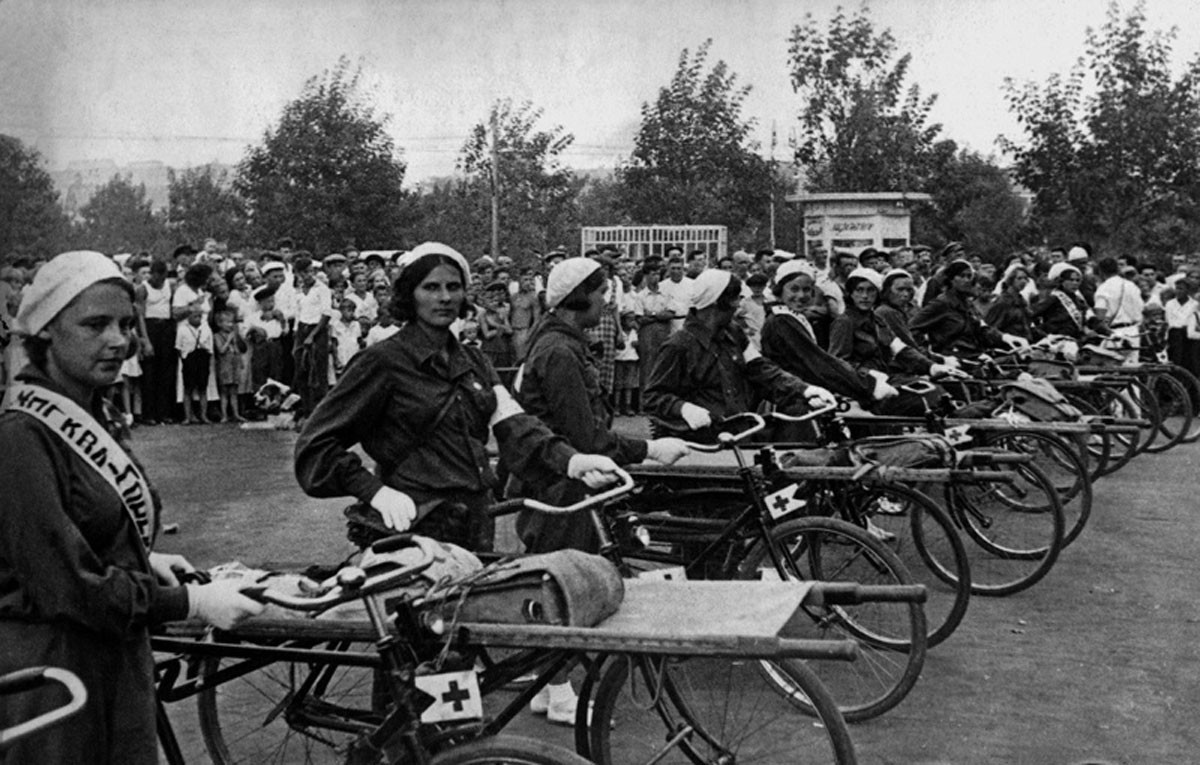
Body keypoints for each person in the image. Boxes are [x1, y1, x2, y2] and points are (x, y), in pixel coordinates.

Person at [0, 251, 261, 765]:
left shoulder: (90, 411)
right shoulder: (21, 436)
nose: (120, 341)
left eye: (124, 323)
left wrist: (145, 558)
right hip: (52, 672)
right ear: (47, 332)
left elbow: (85, 523)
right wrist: (190, 603)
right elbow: (67, 585)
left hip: (110, 653)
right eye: (95, 325)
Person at [294, 242, 622, 553]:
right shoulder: (382, 363)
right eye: (431, 287)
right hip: (415, 527)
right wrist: (375, 492)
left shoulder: (474, 361)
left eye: (454, 287)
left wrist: (571, 460)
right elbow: (315, 446)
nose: (445, 297)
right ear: (410, 294)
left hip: (476, 522)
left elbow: (515, 426)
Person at [509, 257, 688, 725]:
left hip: (560, 482)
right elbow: (587, 438)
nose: (607, 301)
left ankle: (551, 685)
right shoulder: (561, 352)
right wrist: (650, 448)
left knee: (556, 580)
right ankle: (560, 690)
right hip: (563, 487)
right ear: (578, 298)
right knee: (564, 586)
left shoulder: (557, 343)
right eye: (601, 292)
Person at [644, 269, 836, 438]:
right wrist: (684, 408)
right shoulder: (679, 345)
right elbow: (653, 397)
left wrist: (803, 389)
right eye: (734, 299)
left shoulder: (734, 333)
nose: (738, 305)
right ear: (717, 303)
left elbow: (760, 369)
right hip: (700, 444)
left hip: (741, 434)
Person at [910, 260, 1025, 356]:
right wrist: (929, 353)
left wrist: (1005, 337)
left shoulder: (967, 304)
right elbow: (912, 328)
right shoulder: (941, 303)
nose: (967, 280)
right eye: (962, 276)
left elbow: (981, 328)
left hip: (973, 356)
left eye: (969, 276)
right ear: (951, 279)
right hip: (952, 360)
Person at [177, 304, 213, 424]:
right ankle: (188, 416)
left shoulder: (206, 328)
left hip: (203, 358)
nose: (197, 319)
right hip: (189, 359)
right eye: (194, 316)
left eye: (199, 316)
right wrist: (184, 358)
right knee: (188, 389)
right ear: (188, 317)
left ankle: (203, 415)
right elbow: (178, 347)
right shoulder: (182, 329)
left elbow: (210, 347)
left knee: (203, 388)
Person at [212, 307, 247, 423]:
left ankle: (236, 414)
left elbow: (239, 350)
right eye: (227, 322)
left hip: (235, 363)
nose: (230, 325)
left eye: (231, 322)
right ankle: (224, 415)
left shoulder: (234, 336)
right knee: (224, 391)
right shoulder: (217, 336)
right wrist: (228, 341)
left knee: (234, 391)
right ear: (219, 323)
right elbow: (221, 350)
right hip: (224, 365)